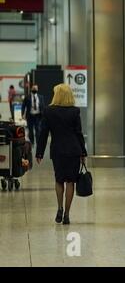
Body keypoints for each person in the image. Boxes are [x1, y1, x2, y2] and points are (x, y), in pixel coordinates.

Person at [36, 84, 87, 225]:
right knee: (70, 181)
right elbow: (78, 133)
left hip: (57, 151)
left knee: (59, 180)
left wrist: (39, 152)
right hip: (73, 151)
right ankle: (67, 214)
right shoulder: (75, 111)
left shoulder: (48, 111)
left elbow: (43, 133)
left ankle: (59, 208)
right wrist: (83, 152)